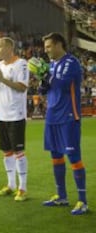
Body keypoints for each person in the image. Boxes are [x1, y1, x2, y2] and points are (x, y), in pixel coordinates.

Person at [39, 32, 87, 215]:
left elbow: (63, 85)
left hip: (68, 116)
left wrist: (46, 75)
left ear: (59, 44)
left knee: (74, 158)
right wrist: (42, 82)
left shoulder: (71, 63)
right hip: (52, 116)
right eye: (45, 47)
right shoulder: (51, 65)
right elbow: (47, 88)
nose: (46, 50)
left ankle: (82, 201)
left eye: (49, 46)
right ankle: (62, 196)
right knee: (56, 156)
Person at [0, 37, 29, 201]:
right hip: (2, 115)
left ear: (9, 47)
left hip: (16, 115)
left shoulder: (21, 64)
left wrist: (3, 79)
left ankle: (22, 188)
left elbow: (22, 87)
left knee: (18, 151)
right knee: (6, 151)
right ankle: (11, 184)